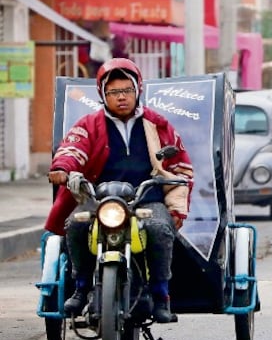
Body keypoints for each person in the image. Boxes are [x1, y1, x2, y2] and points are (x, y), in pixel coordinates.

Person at [45, 58, 194, 324]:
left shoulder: (157, 124)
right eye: (113, 92)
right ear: (103, 94)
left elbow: (180, 165)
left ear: (138, 90)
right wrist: (62, 168)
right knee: (76, 225)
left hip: (146, 199)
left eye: (127, 90)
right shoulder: (89, 124)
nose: (121, 97)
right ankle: (81, 287)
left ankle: (161, 296)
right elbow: (71, 149)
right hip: (99, 200)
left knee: (160, 229)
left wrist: (177, 201)